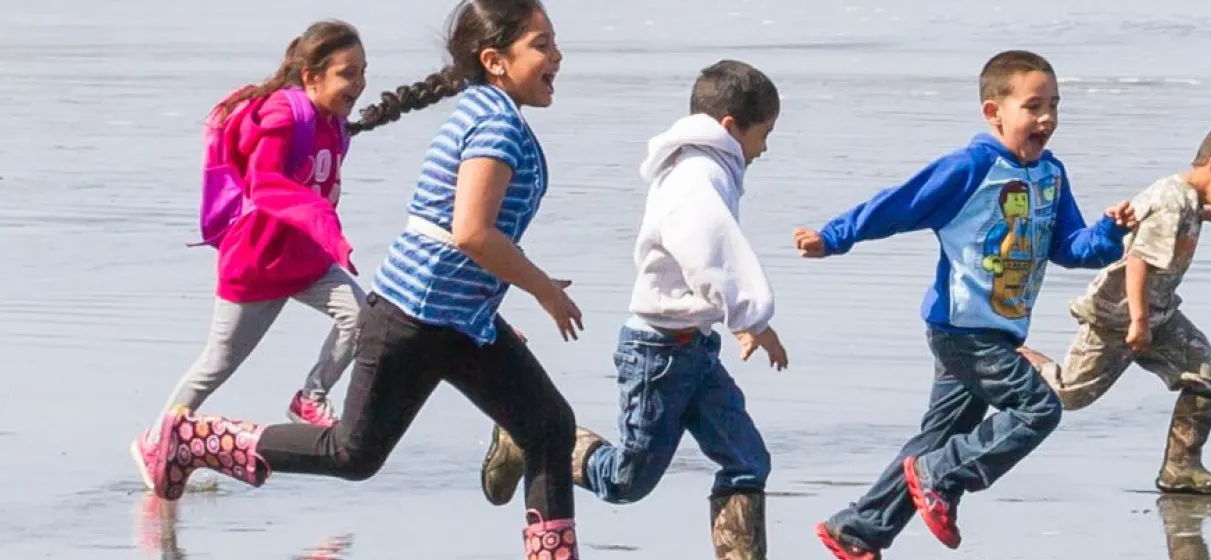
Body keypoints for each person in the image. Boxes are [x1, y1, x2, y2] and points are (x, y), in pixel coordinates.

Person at [132, 1, 587, 556]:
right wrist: (540, 287)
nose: (557, 56)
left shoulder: (490, 112)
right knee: (353, 455)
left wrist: (488, 311)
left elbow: (453, 240)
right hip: (413, 320)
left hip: (458, 321)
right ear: (494, 59)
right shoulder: (494, 123)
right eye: (542, 45)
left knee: (548, 426)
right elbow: (470, 232)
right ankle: (194, 441)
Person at [793, 49, 1137, 559]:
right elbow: (896, 205)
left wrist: (1110, 233)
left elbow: (1069, 247)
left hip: (999, 332)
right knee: (1038, 408)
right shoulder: (970, 168)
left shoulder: (1051, 175)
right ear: (993, 112)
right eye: (1033, 105)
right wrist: (832, 237)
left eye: (1055, 106)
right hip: (962, 329)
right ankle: (941, 477)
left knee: (943, 433)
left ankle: (859, 528)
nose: (1047, 118)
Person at [480, 59, 788, 560]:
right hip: (659, 352)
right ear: (731, 127)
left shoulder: (708, 167)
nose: (765, 148)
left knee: (748, 461)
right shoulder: (698, 174)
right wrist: (752, 318)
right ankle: (528, 438)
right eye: (764, 134)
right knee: (625, 481)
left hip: (695, 349)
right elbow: (707, 249)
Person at [137, 20, 369, 461]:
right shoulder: (283, 116)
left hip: (306, 262)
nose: (359, 84)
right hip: (257, 265)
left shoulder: (333, 125)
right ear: (312, 76)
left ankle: (310, 396)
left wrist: (324, 237)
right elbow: (265, 184)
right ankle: (156, 441)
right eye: (348, 73)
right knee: (216, 366)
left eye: (362, 72)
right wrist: (326, 225)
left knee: (361, 318)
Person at [1018, 119, 1211, 496]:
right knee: (1070, 394)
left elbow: (1172, 219)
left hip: (1158, 312)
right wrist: (1138, 320)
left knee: (1206, 368)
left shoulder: (1185, 200)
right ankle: (1016, 358)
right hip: (1119, 316)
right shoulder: (1172, 201)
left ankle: (1180, 467)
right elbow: (1138, 260)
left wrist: (1208, 215)